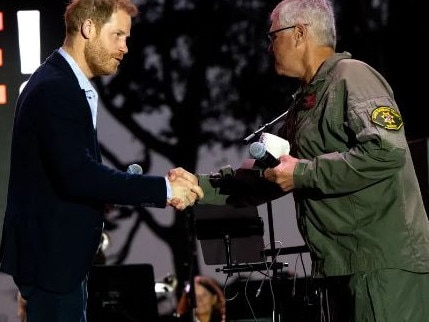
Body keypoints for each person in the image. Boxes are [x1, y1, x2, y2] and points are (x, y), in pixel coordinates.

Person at [196, 0, 429, 321]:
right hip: (342, 265)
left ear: (299, 33)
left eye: (272, 36)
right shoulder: (307, 102)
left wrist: (302, 173)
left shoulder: (352, 77)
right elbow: (272, 176)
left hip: (381, 266)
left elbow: (385, 152)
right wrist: (195, 187)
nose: (268, 47)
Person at [0, 0, 204, 321]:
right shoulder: (56, 88)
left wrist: (104, 194)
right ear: (89, 28)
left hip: (60, 261)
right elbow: (77, 175)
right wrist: (164, 190)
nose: (124, 47)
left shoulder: (65, 84)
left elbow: (64, 173)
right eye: (118, 35)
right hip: (53, 262)